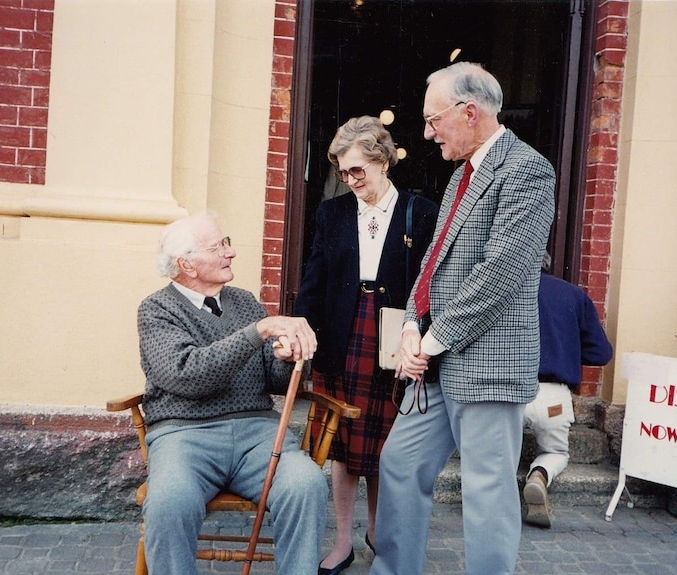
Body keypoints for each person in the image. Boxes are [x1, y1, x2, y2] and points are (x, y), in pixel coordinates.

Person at [370, 62, 556, 575]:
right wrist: (410, 325)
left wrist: (429, 341)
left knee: (487, 490)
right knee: (400, 465)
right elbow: (433, 263)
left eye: (434, 121)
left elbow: (501, 274)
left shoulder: (528, 170)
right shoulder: (460, 176)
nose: (428, 133)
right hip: (436, 362)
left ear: (469, 112)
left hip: (487, 365)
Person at [137, 213, 327, 575]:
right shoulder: (156, 309)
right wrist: (259, 331)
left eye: (227, 242)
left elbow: (274, 380)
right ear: (186, 264)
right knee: (169, 500)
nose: (231, 252)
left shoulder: (244, 302)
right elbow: (187, 376)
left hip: (258, 437)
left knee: (306, 482)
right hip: (185, 437)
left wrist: (285, 358)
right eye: (219, 247)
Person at [294, 116, 438, 575]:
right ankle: (341, 541)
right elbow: (314, 280)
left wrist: (424, 347)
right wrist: (305, 329)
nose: (350, 179)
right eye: (342, 171)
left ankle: (378, 532)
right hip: (342, 334)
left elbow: (432, 286)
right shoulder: (332, 213)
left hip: (396, 336)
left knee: (384, 447)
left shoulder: (420, 212)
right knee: (342, 445)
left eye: (358, 169)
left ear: (384, 160)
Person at [523, 254, 613, 528]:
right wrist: (566, 349)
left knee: (497, 452)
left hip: (508, 391)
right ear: (548, 263)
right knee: (556, 453)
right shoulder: (573, 294)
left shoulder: (507, 289)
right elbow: (601, 352)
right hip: (553, 397)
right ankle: (539, 474)